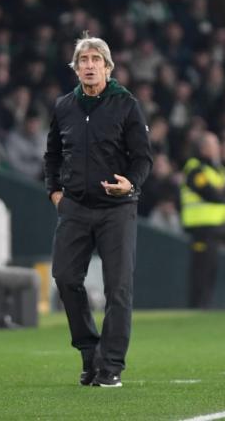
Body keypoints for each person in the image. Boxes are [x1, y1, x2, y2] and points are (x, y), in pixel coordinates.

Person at [44, 33, 152, 388]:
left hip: (116, 209)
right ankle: (90, 353)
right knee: (64, 277)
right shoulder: (64, 106)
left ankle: (111, 366)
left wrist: (131, 184)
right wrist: (54, 192)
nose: (89, 66)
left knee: (118, 287)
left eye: (95, 60)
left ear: (108, 67)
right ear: (75, 69)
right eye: (83, 60)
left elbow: (142, 158)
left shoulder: (126, 104)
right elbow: (52, 155)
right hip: (74, 206)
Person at [180, 132, 225, 308]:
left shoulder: (217, 168)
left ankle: (205, 307)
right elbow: (208, 191)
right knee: (201, 269)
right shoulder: (195, 167)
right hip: (201, 227)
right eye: (214, 144)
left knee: (210, 270)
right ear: (203, 148)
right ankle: (197, 307)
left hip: (217, 227)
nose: (218, 147)